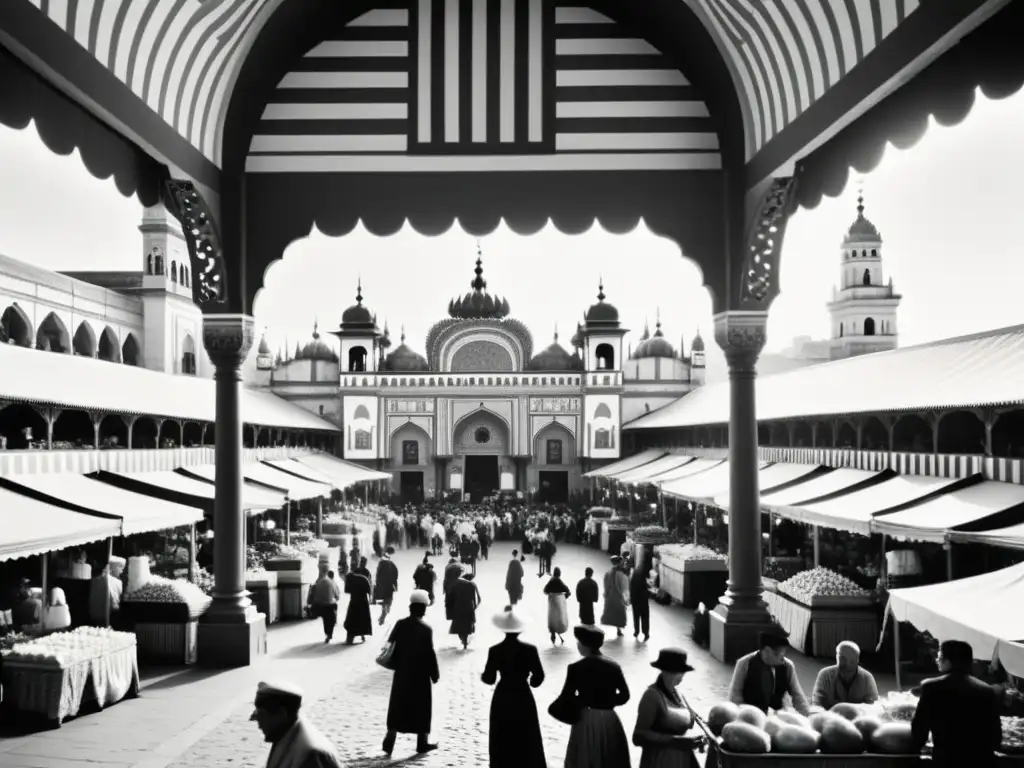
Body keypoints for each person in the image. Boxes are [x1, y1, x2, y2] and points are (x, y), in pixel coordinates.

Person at [911, 639, 1001, 768]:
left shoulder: (931, 686)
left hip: (946, 759)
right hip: (981, 760)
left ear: (948, 661)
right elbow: (995, 734)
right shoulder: (986, 690)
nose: (937, 660)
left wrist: (916, 748)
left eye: (939, 657)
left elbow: (919, 726)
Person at [554, 625, 631, 768]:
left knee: (585, 756)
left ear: (584, 645)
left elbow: (567, 696)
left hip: (586, 718)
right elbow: (625, 696)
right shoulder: (614, 666)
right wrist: (607, 701)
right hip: (610, 718)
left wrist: (582, 701)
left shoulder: (575, 668)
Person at [482, 611, 547, 768]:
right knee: (526, 731)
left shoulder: (495, 650)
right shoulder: (530, 649)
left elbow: (489, 678)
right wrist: (532, 681)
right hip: (522, 693)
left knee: (502, 733)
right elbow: (538, 676)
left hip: (503, 694)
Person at [383, 590, 440, 756]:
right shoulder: (426, 629)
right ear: (423, 609)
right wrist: (434, 674)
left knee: (397, 706)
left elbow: (390, 644)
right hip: (420, 675)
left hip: (402, 672)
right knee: (422, 708)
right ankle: (422, 742)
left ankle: (389, 740)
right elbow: (430, 654)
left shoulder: (400, 624)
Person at [633, 648, 705, 768]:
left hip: (682, 759)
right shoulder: (651, 696)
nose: (682, 675)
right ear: (665, 671)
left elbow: (691, 719)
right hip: (660, 760)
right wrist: (674, 741)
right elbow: (638, 736)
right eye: (679, 671)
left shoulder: (678, 694)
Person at [250, 681, 342, 768]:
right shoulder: (285, 733)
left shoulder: (309, 756)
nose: (258, 723)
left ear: (282, 714)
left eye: (262, 715)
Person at [728, 630, 811, 715]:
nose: (783, 656)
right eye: (780, 652)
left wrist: (809, 717)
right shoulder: (744, 664)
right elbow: (735, 699)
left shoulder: (788, 666)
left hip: (778, 717)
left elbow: (798, 696)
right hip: (749, 717)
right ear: (767, 651)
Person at [811, 641, 880, 710]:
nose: (847, 664)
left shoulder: (867, 678)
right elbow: (817, 704)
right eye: (842, 659)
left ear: (857, 660)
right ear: (836, 657)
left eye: (852, 661)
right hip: (830, 717)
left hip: (859, 717)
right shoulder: (825, 675)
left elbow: (872, 706)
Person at [448, 572, 482, 649]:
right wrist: (474, 607)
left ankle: (463, 640)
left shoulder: (456, 584)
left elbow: (450, 599)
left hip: (458, 608)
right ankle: (465, 641)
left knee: (459, 626)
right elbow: (479, 599)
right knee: (468, 626)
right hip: (469, 608)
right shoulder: (472, 585)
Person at [600, 556, 630, 638]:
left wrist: (606, 594)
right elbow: (624, 588)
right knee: (619, 614)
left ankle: (615, 630)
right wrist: (626, 600)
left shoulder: (608, 573)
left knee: (609, 613)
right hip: (618, 598)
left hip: (610, 597)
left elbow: (605, 585)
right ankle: (619, 630)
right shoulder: (621, 575)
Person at [309, 568, 341, 643]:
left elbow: (314, 592)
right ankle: (330, 632)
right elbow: (337, 596)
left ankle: (327, 633)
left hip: (321, 605)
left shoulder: (320, 581)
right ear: (333, 576)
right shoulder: (333, 583)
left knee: (326, 620)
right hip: (331, 605)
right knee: (331, 620)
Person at [343, 564, 372, 645]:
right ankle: (362, 635)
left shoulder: (349, 579)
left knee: (352, 619)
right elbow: (369, 590)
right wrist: (370, 599)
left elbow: (346, 591)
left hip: (354, 601)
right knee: (363, 619)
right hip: (363, 601)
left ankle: (350, 638)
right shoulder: (364, 578)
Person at [544, 567, 572, 644]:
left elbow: (545, 590)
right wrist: (564, 597)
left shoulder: (551, 580)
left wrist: (551, 594)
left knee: (552, 618)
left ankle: (553, 636)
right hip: (558, 603)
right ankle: (556, 634)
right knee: (559, 618)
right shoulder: (558, 581)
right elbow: (568, 591)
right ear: (559, 574)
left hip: (552, 603)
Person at [374, 547, 399, 626]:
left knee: (385, 601)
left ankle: (383, 613)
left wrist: (378, 584)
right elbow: (395, 574)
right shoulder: (391, 564)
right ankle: (384, 614)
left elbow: (377, 575)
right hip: (389, 586)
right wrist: (394, 584)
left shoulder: (381, 564)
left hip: (382, 586)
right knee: (388, 601)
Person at [630, 558, 651, 642]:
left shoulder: (634, 578)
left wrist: (631, 599)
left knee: (636, 617)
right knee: (645, 618)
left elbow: (631, 589)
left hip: (636, 601)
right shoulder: (642, 579)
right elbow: (645, 590)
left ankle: (636, 631)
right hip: (643, 602)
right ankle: (646, 632)